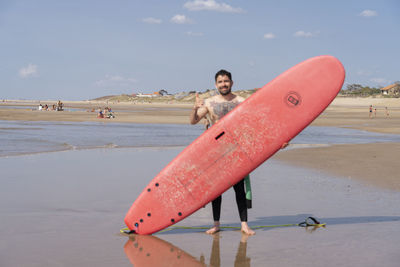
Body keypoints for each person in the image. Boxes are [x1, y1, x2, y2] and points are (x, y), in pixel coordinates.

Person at [190, 69, 290, 235]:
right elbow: (193, 121)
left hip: (237, 151)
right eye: (220, 82)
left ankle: (244, 224)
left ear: (232, 83)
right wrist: (194, 108)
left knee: (239, 189)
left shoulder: (242, 102)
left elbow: (259, 124)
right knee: (216, 190)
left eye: (226, 81)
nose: (223, 84)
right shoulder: (209, 103)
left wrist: (279, 141)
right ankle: (216, 224)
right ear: (216, 84)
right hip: (216, 151)